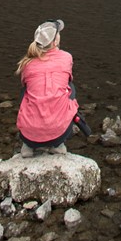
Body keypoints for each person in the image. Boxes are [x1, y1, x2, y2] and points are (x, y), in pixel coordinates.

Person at [16, 18, 79, 157]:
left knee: (25, 91)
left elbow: (26, 85)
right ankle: (57, 146)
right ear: (55, 41)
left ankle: (27, 147)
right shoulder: (66, 57)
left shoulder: (27, 63)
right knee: (70, 87)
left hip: (28, 136)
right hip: (59, 135)